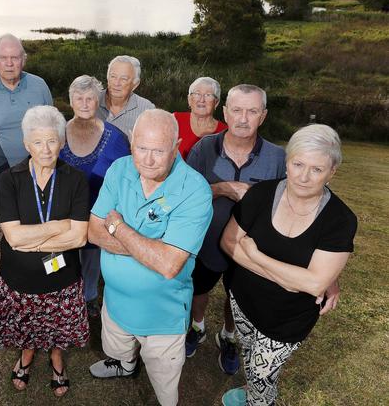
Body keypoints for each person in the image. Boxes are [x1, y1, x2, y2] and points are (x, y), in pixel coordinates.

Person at [220, 124, 357, 406]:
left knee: (261, 374)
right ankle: (253, 395)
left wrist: (255, 256)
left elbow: (314, 283)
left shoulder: (339, 220)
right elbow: (229, 243)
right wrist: (287, 278)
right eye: (298, 164)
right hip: (243, 301)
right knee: (250, 359)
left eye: (317, 170)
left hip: (287, 320)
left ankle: (260, 402)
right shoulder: (261, 195)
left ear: (332, 172)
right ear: (287, 161)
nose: (304, 177)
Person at [88, 109, 213, 406]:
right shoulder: (119, 169)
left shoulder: (195, 190)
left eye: (158, 150)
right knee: (118, 347)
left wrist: (118, 227)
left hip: (162, 316)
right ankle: (125, 365)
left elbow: (169, 265)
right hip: (116, 302)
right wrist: (150, 248)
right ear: (132, 143)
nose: (147, 159)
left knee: (164, 377)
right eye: (141, 148)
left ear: (176, 146)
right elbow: (93, 232)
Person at [0, 105, 90, 398]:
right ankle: (27, 353)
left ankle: (56, 356)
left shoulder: (76, 179)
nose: (45, 149)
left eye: (52, 140)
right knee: (26, 324)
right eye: (38, 142)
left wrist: (35, 243)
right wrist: (58, 225)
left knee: (57, 325)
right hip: (19, 278)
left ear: (62, 142)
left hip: (62, 277)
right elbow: (13, 237)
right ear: (27, 144)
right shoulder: (9, 179)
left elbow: (79, 237)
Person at [184, 84, 286, 375]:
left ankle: (228, 337)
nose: (243, 118)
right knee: (199, 289)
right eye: (237, 110)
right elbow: (186, 194)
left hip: (249, 249)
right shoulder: (204, 148)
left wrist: (253, 194)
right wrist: (220, 189)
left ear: (263, 116)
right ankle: (197, 327)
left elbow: (284, 205)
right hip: (205, 241)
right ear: (225, 112)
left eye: (252, 111)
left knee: (236, 297)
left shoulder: (278, 157)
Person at [59, 75, 130, 317]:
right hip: (64, 214)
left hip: (98, 213)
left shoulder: (116, 137)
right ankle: (63, 294)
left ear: (98, 101)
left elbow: (126, 177)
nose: (85, 103)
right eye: (79, 98)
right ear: (71, 101)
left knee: (92, 258)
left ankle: (89, 295)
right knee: (64, 255)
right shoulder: (57, 133)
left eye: (90, 98)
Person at [0, 33, 53, 198]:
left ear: (23, 60)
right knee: (1, 222)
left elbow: (53, 128)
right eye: (3, 58)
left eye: (14, 57)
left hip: (36, 173)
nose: (9, 63)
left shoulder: (40, 85)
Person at [97, 55, 155, 139]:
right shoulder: (91, 101)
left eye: (123, 79)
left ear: (135, 84)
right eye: (113, 76)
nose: (116, 83)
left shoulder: (147, 110)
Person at [173, 76, 227, 159]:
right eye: (197, 94)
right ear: (189, 99)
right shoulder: (173, 120)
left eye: (208, 95)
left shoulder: (225, 132)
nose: (202, 100)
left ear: (216, 102)